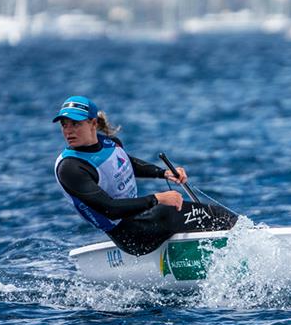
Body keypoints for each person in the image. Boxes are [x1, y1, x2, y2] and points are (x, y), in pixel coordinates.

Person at [53, 95, 237, 256]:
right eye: (64, 125)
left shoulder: (110, 144)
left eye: (75, 124)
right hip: (132, 236)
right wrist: (157, 198)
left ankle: (229, 243)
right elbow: (110, 209)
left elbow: (126, 162)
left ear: (93, 123)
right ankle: (243, 241)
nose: (68, 131)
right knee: (196, 213)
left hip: (143, 219)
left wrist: (163, 173)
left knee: (206, 213)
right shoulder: (71, 167)